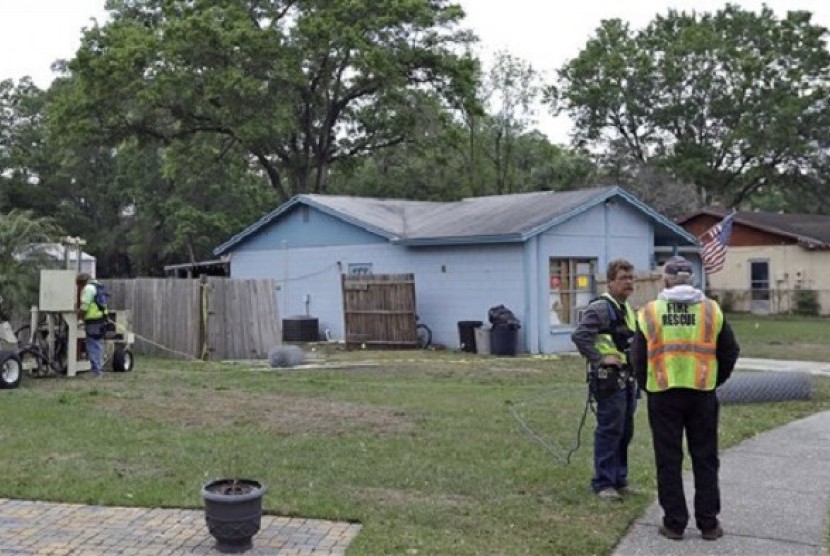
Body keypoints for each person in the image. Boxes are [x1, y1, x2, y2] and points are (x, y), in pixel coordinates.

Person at [630, 255, 740, 541]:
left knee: (668, 459)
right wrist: (715, 380)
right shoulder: (711, 310)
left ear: (665, 279)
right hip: (702, 393)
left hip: (663, 394)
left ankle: (675, 523)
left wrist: (648, 385)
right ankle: (709, 524)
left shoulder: (650, 311)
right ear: (691, 279)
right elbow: (730, 351)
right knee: (705, 458)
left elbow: (638, 357)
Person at [571, 259, 638, 501]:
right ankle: (603, 482)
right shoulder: (601, 308)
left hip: (628, 378)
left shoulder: (628, 309)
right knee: (610, 431)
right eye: (623, 278)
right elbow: (580, 336)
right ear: (610, 282)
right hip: (608, 381)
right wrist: (600, 358)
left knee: (625, 430)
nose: (628, 283)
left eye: (631, 278)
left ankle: (619, 478)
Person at [76, 273, 107, 377]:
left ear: (82, 282)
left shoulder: (88, 289)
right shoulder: (97, 286)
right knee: (97, 345)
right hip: (100, 320)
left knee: (92, 345)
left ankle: (96, 371)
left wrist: (79, 317)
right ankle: (98, 369)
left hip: (93, 321)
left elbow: (84, 307)